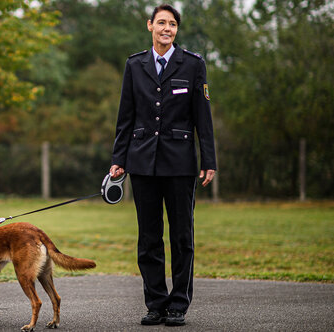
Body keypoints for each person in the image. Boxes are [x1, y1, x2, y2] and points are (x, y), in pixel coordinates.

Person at [108, 4, 216, 327]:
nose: (166, 29)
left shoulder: (193, 65)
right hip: (142, 162)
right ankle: (156, 302)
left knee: (182, 237)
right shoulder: (135, 65)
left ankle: (178, 305)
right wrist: (118, 160)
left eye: (172, 24)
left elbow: (203, 117)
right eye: (161, 23)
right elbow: (125, 116)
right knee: (149, 238)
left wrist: (208, 159)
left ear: (176, 31)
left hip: (181, 164)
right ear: (150, 26)